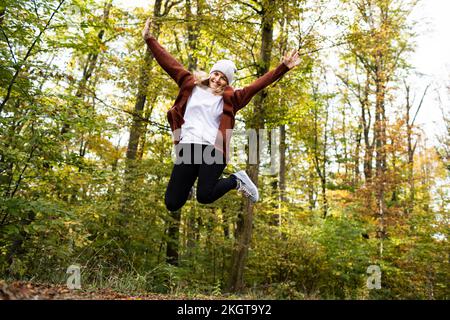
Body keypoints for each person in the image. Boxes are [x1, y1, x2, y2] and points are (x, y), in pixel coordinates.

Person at [142, 18, 300, 212]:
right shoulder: (190, 84)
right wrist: (150, 39)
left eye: (223, 77)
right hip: (188, 146)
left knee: (205, 196)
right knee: (172, 203)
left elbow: (257, 85)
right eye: (216, 74)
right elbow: (169, 63)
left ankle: (236, 180)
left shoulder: (232, 99)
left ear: (228, 82)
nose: (217, 79)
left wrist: (282, 67)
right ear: (211, 73)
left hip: (212, 149)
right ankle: (189, 183)